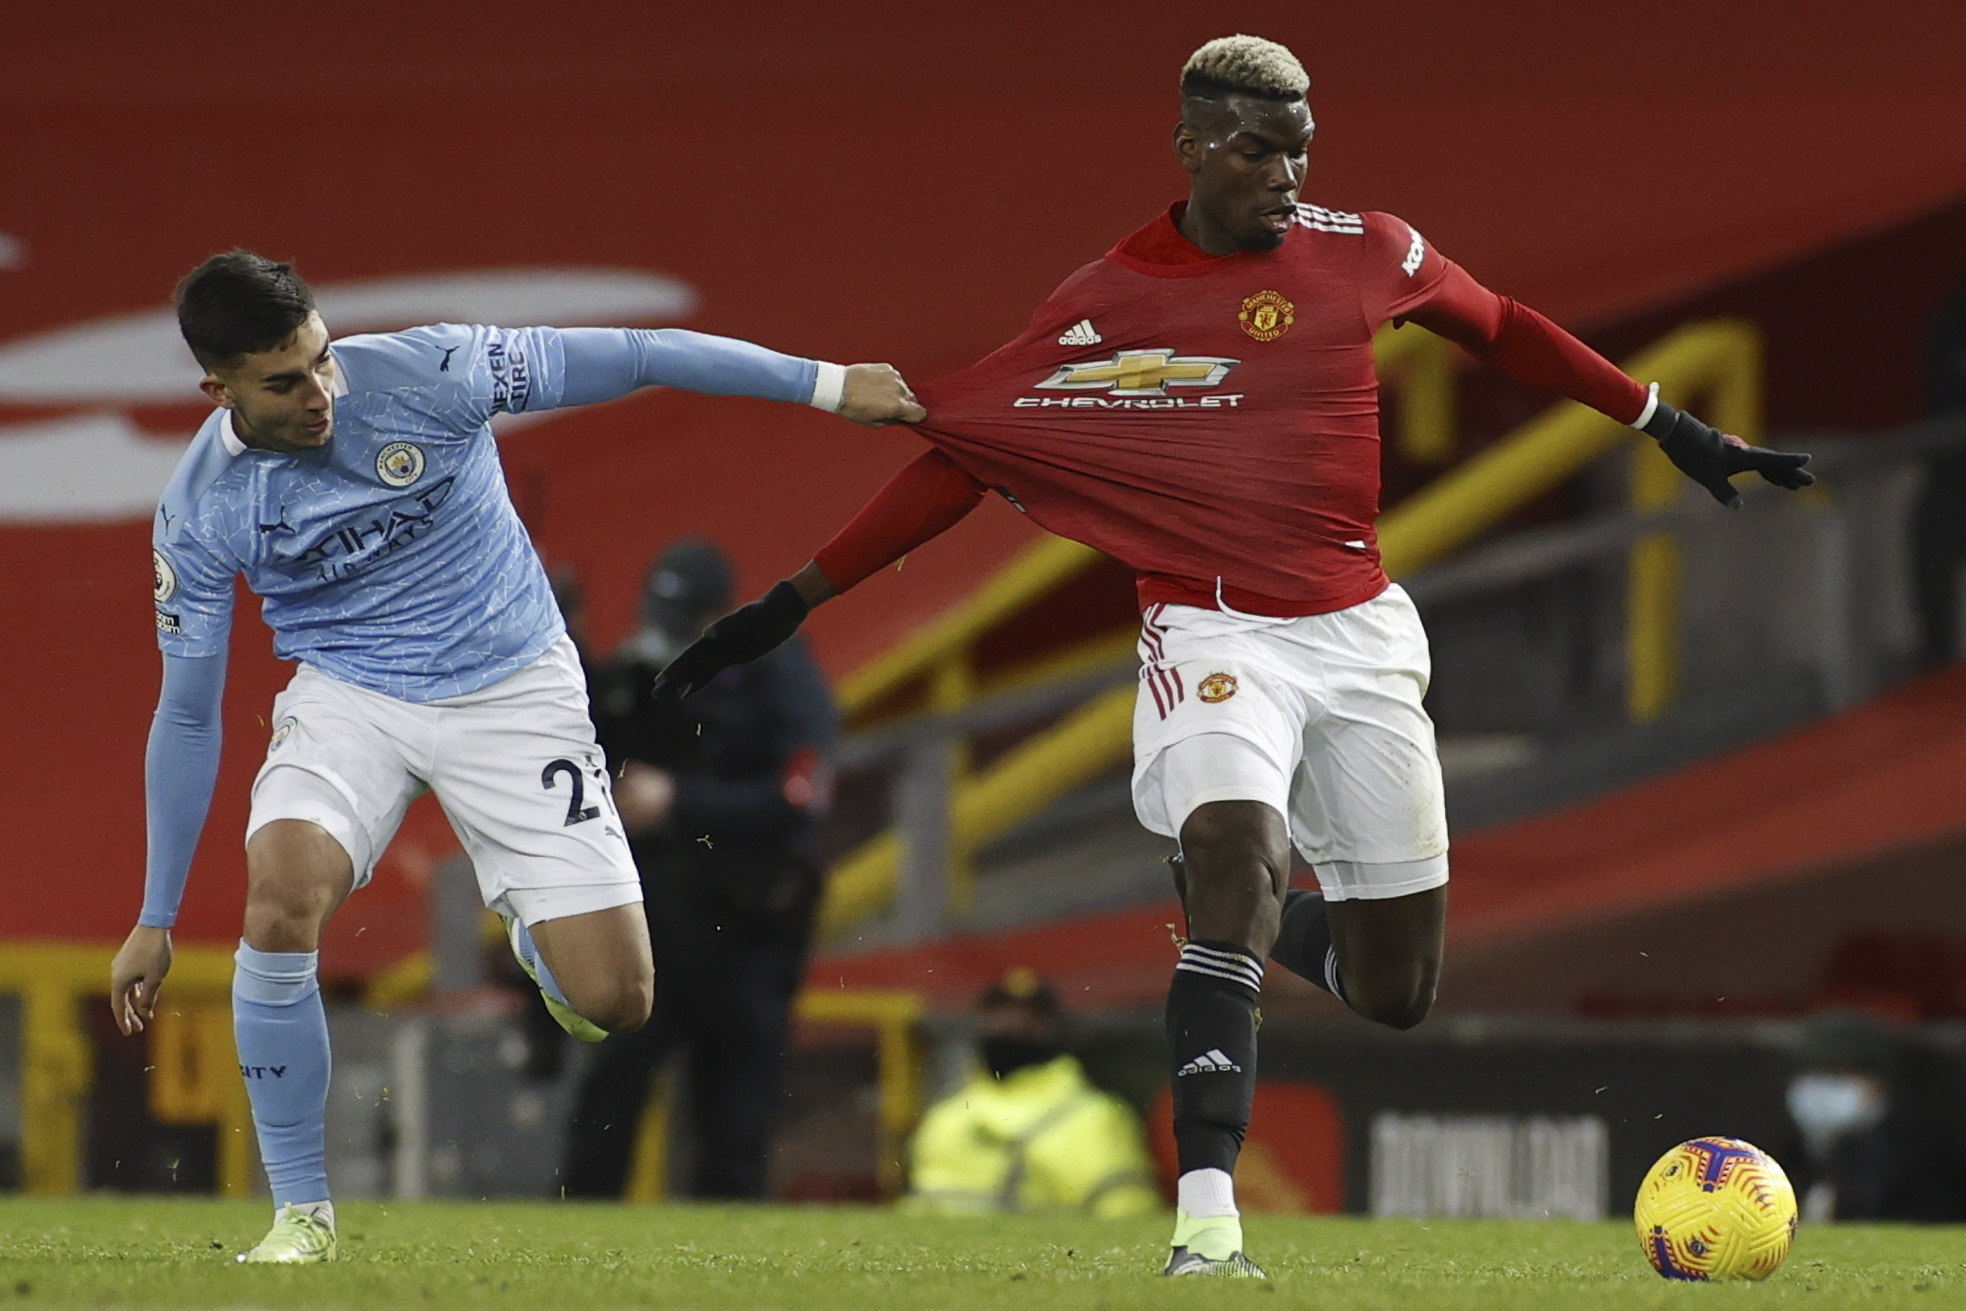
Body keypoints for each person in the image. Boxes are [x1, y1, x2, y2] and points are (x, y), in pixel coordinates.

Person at [651, 34, 1816, 1277]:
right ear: (1193, 149)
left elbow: (1502, 326)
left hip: (1360, 635)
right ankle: (1207, 1228)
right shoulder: (1108, 302)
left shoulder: (1364, 249)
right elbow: (968, 449)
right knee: (1232, 847)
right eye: (1259, 150)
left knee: (1395, 987)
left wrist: (1668, 423)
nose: (1283, 174)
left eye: (1299, 150)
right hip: (1209, 628)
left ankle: (1249, 916)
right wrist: (794, 599)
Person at [107, 250, 923, 1263]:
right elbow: (187, 717)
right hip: (352, 696)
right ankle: (301, 1219)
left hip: (513, 690)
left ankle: (541, 942)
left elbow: (640, 350)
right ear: (215, 387)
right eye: (285, 381)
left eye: (320, 360)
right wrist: (155, 915)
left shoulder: (432, 373)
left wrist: (828, 384)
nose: (321, 391)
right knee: (279, 890)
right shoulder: (201, 509)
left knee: (616, 1003)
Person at [560, 537, 837, 1200]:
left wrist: (682, 800)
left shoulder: (779, 669)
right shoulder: (644, 671)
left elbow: (801, 794)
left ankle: (727, 1253)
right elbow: (595, 735)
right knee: (614, 1076)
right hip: (662, 914)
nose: (667, 632)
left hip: (748, 923)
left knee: (737, 1104)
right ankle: (578, 1229)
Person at [905, 968, 1159, 1217]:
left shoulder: (1098, 1117)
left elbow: (1126, 1216)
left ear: (1054, 1027)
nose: (1010, 1026)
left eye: (1028, 1018)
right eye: (999, 1014)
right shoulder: (945, 1117)